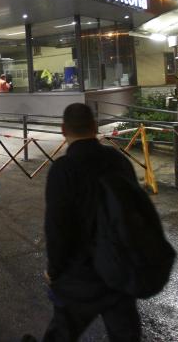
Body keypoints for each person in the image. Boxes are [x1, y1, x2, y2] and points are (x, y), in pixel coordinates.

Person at [39, 103, 141, 341]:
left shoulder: (63, 169)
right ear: (95, 127)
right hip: (119, 268)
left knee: (63, 331)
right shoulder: (118, 160)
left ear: (63, 130)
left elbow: (57, 227)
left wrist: (55, 270)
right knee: (125, 333)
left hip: (79, 272)